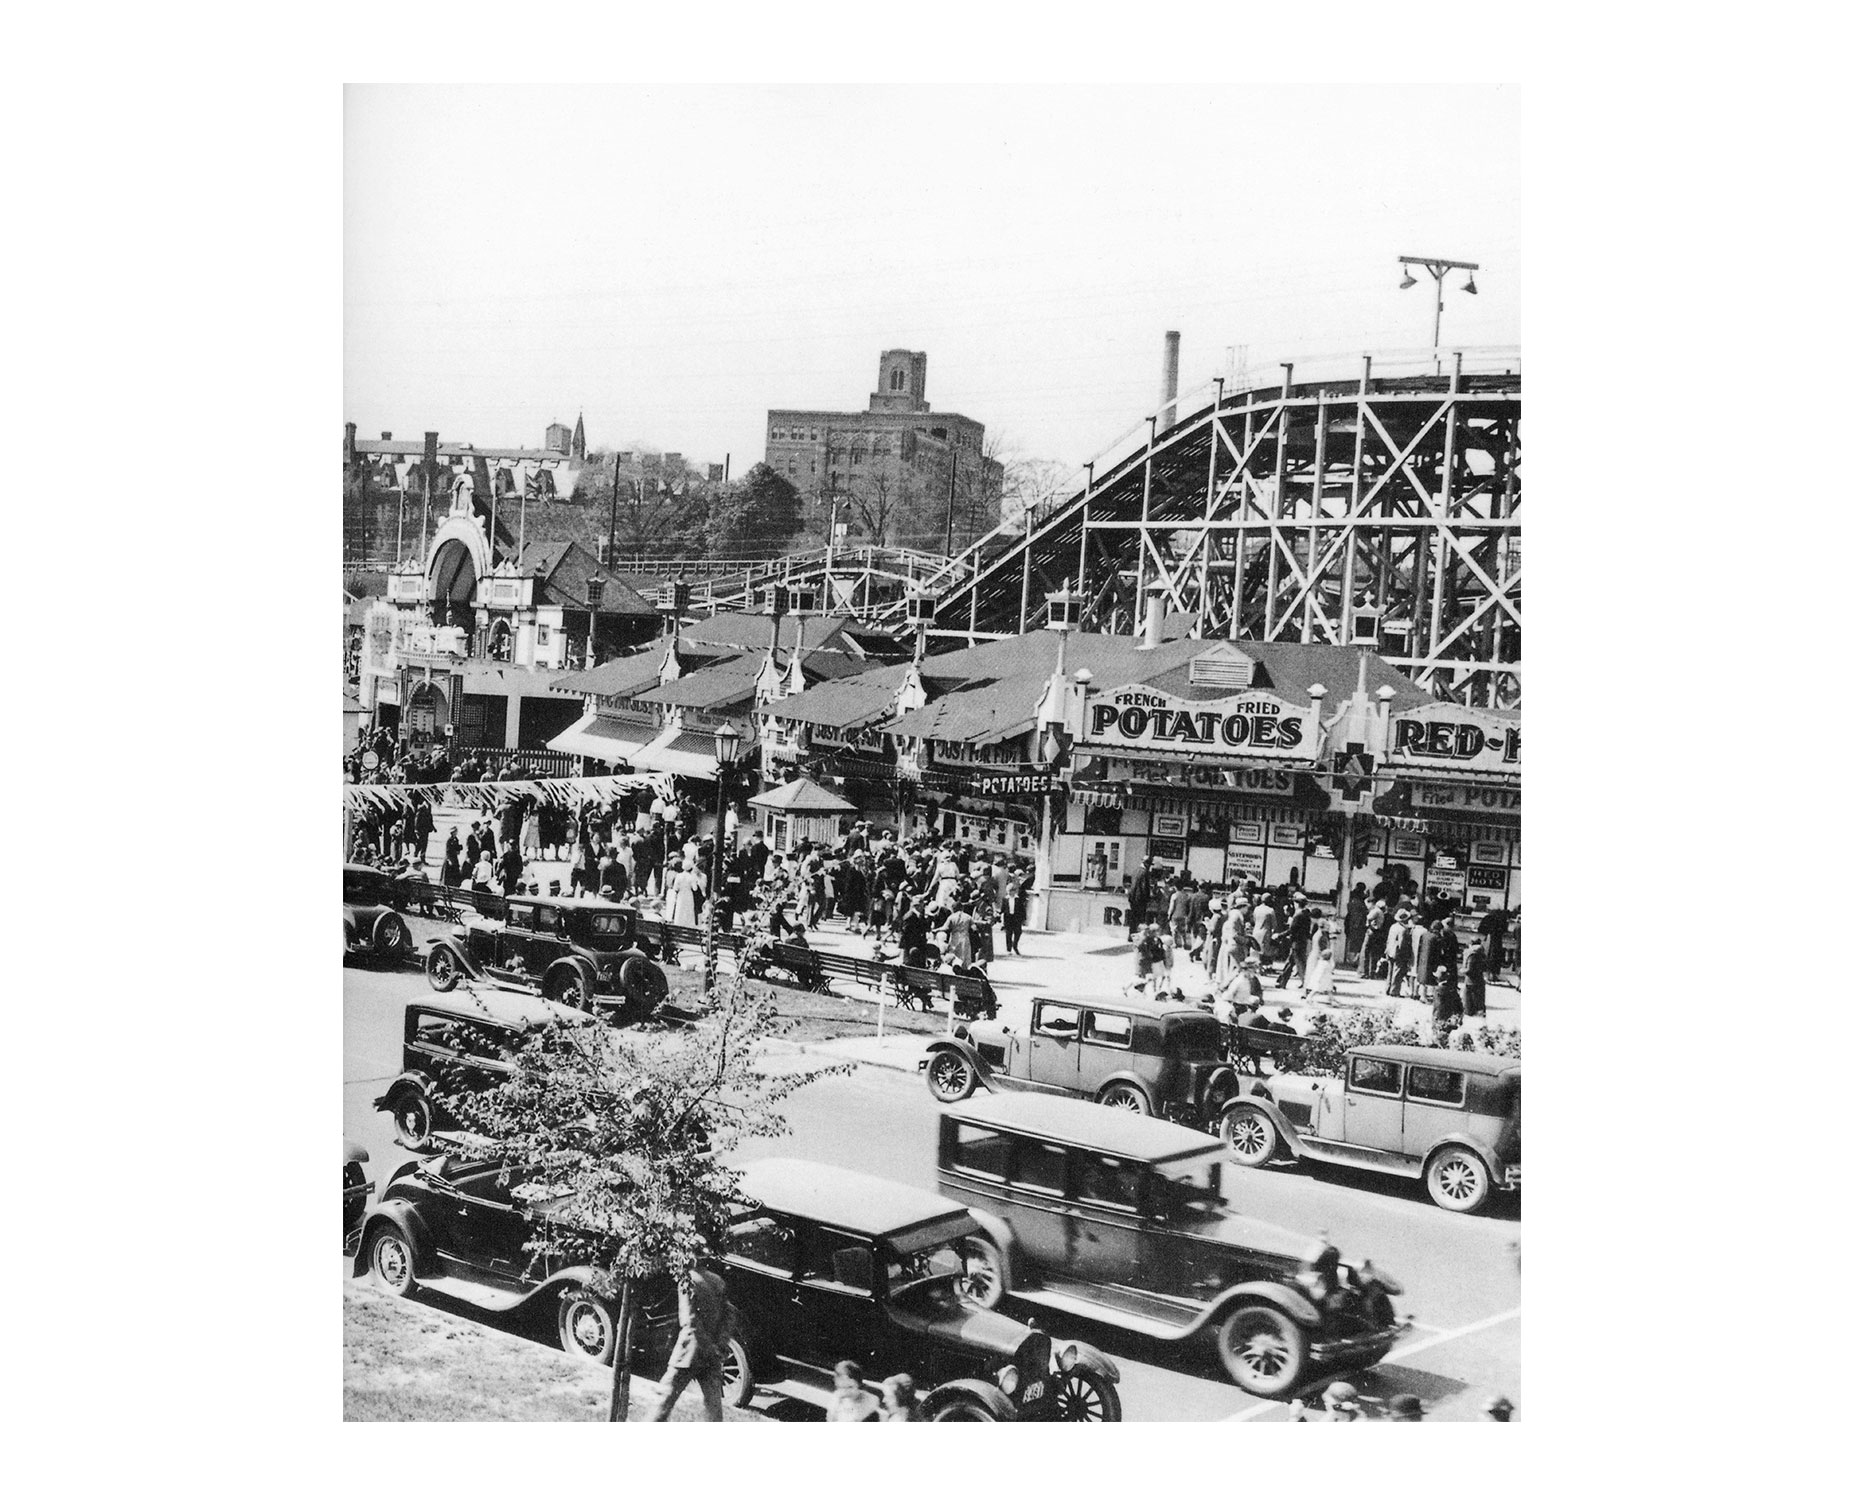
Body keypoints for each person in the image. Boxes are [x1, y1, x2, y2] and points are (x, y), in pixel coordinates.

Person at [649, 1267, 736, 1422]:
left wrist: (707, 1347)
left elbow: (689, 1320)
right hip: (711, 1357)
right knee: (714, 1409)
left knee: (664, 1400)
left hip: (689, 1353)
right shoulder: (717, 1281)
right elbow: (730, 1315)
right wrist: (719, 1344)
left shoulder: (687, 1280)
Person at [1462, 943, 1488, 1017]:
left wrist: (1462, 970)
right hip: (1480, 982)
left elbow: (1469, 970)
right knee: (1479, 1005)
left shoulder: (1472, 956)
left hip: (1470, 982)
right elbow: (1485, 968)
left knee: (1468, 1006)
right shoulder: (1482, 956)